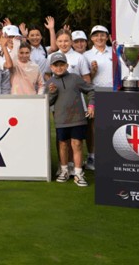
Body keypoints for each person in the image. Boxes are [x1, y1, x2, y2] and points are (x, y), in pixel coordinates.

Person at [47, 52, 95, 187]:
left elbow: (91, 90)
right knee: (63, 145)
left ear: (67, 65)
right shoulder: (50, 83)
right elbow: (49, 102)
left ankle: (79, 173)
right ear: (51, 67)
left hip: (78, 119)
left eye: (62, 65)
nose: (59, 68)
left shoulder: (75, 78)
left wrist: (91, 105)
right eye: (56, 65)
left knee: (77, 144)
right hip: (61, 120)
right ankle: (64, 171)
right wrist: (52, 93)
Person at [84, 24, 112, 171]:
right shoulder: (86, 55)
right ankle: (92, 156)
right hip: (94, 94)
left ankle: (109, 155)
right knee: (92, 127)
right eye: (96, 35)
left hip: (113, 94)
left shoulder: (115, 52)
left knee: (111, 125)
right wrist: (93, 72)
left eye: (102, 35)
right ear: (92, 38)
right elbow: (86, 80)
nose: (99, 38)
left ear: (107, 37)